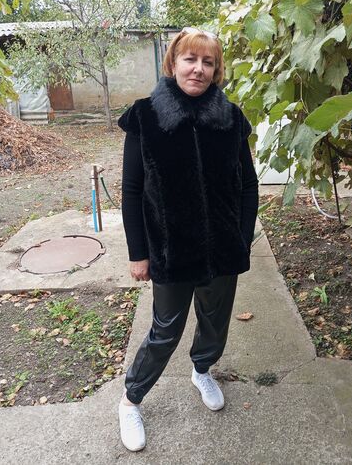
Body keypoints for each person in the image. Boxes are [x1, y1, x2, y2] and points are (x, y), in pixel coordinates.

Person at [117, 27, 259, 452]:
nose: (198, 69)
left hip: (222, 247)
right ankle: (131, 399)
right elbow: (132, 190)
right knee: (165, 330)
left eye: (208, 62)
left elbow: (248, 185)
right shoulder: (145, 116)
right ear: (173, 62)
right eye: (190, 59)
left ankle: (202, 370)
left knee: (215, 321)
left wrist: (242, 238)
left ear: (216, 70)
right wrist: (139, 253)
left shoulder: (231, 119)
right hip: (170, 249)